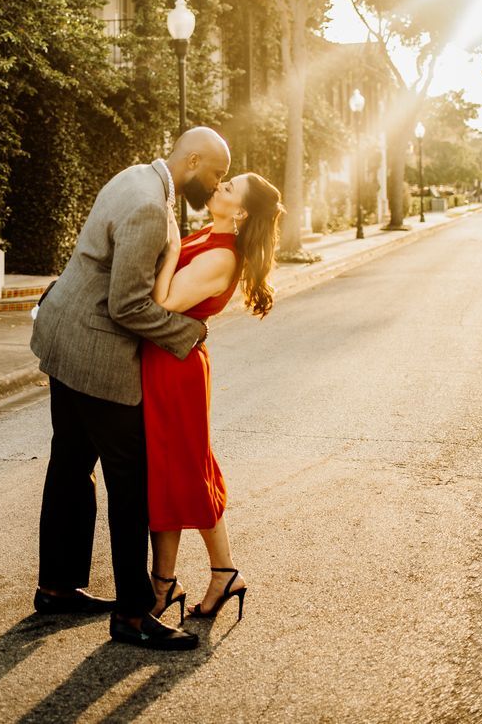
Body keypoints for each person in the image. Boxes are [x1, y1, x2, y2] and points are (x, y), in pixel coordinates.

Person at [30, 127, 230, 651]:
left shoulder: (136, 177)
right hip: (95, 353)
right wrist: (190, 334)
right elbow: (128, 306)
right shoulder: (148, 206)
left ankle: (56, 586)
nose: (216, 185)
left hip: (62, 337)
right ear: (192, 159)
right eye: (216, 173)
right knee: (131, 482)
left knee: (70, 464)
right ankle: (135, 614)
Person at [142, 172, 283, 625]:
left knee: (182, 467)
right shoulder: (209, 233)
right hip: (164, 360)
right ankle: (173, 580)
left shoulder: (222, 256)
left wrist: (167, 246)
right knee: (172, 469)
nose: (220, 186)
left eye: (230, 189)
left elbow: (163, 302)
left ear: (240, 212)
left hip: (174, 370)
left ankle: (206, 576)